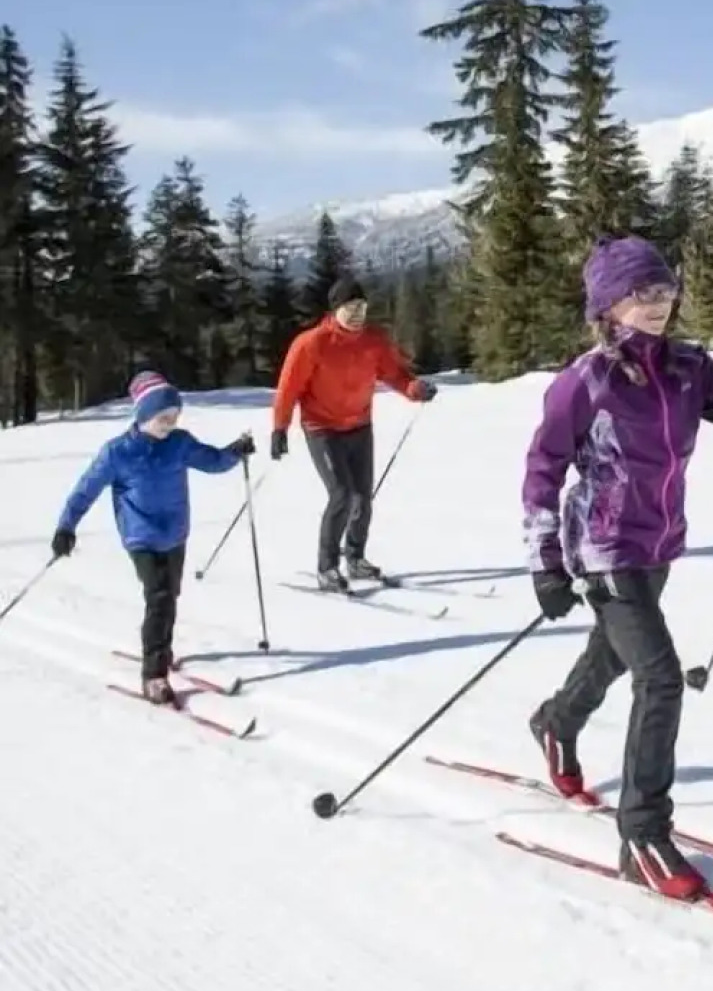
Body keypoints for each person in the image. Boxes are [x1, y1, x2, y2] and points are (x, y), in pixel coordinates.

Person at [522, 234, 713, 902]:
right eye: (643, 294)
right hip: (604, 550)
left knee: (611, 657)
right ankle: (642, 832)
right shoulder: (586, 381)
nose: (659, 305)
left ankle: (556, 722)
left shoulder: (688, 366)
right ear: (609, 304)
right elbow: (542, 470)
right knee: (660, 679)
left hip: (658, 542)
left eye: (665, 291)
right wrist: (546, 563)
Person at [50, 371, 255, 704]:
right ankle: (154, 674)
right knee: (159, 596)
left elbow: (212, 461)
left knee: (169, 594)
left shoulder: (179, 443)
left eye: (174, 417)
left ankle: (160, 644)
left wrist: (235, 451)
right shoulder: (117, 452)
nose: (169, 424)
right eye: (162, 418)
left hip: (175, 533)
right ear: (143, 415)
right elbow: (85, 491)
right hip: (141, 536)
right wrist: (66, 527)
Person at [269, 275, 437, 591]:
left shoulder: (374, 341)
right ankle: (327, 566)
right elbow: (288, 389)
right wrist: (280, 428)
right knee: (342, 495)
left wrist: (415, 388)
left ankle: (356, 559)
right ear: (335, 309)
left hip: (359, 425)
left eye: (362, 306)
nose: (358, 313)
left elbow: (395, 374)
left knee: (363, 497)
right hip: (322, 428)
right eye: (351, 307)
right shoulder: (311, 343)